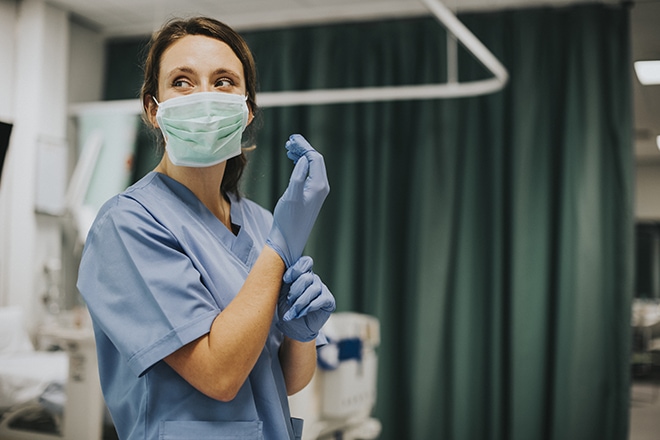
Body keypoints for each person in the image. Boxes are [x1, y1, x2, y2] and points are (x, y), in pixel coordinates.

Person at [76, 16, 335, 440]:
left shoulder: (261, 223)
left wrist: (300, 334)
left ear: (246, 110)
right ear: (152, 109)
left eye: (223, 81)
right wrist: (279, 249)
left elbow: (281, 382)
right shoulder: (127, 225)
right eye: (181, 81)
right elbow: (219, 375)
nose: (204, 97)